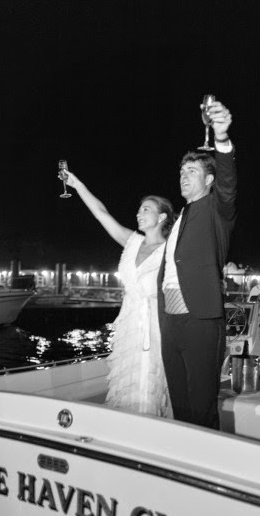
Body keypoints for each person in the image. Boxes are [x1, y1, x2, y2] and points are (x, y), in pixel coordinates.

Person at [60, 170, 175, 416]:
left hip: (156, 329)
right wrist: (77, 185)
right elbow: (101, 213)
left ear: (162, 216)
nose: (139, 213)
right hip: (128, 328)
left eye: (146, 209)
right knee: (127, 387)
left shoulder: (171, 250)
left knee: (148, 388)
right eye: (139, 209)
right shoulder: (132, 242)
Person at [157, 99, 237, 429]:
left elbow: (228, 184)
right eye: (181, 171)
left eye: (192, 171)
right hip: (170, 322)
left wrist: (222, 138)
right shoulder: (181, 217)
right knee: (180, 405)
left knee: (202, 407)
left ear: (209, 181)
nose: (184, 176)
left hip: (200, 320)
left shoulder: (216, 211)